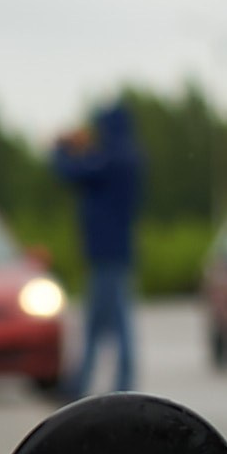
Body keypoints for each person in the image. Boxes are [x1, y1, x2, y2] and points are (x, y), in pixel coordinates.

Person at [52, 100, 147, 398]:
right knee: (104, 325)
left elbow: (69, 172)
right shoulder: (126, 156)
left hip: (107, 255)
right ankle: (88, 384)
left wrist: (61, 148)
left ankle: (110, 386)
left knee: (111, 326)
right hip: (114, 253)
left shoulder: (111, 159)